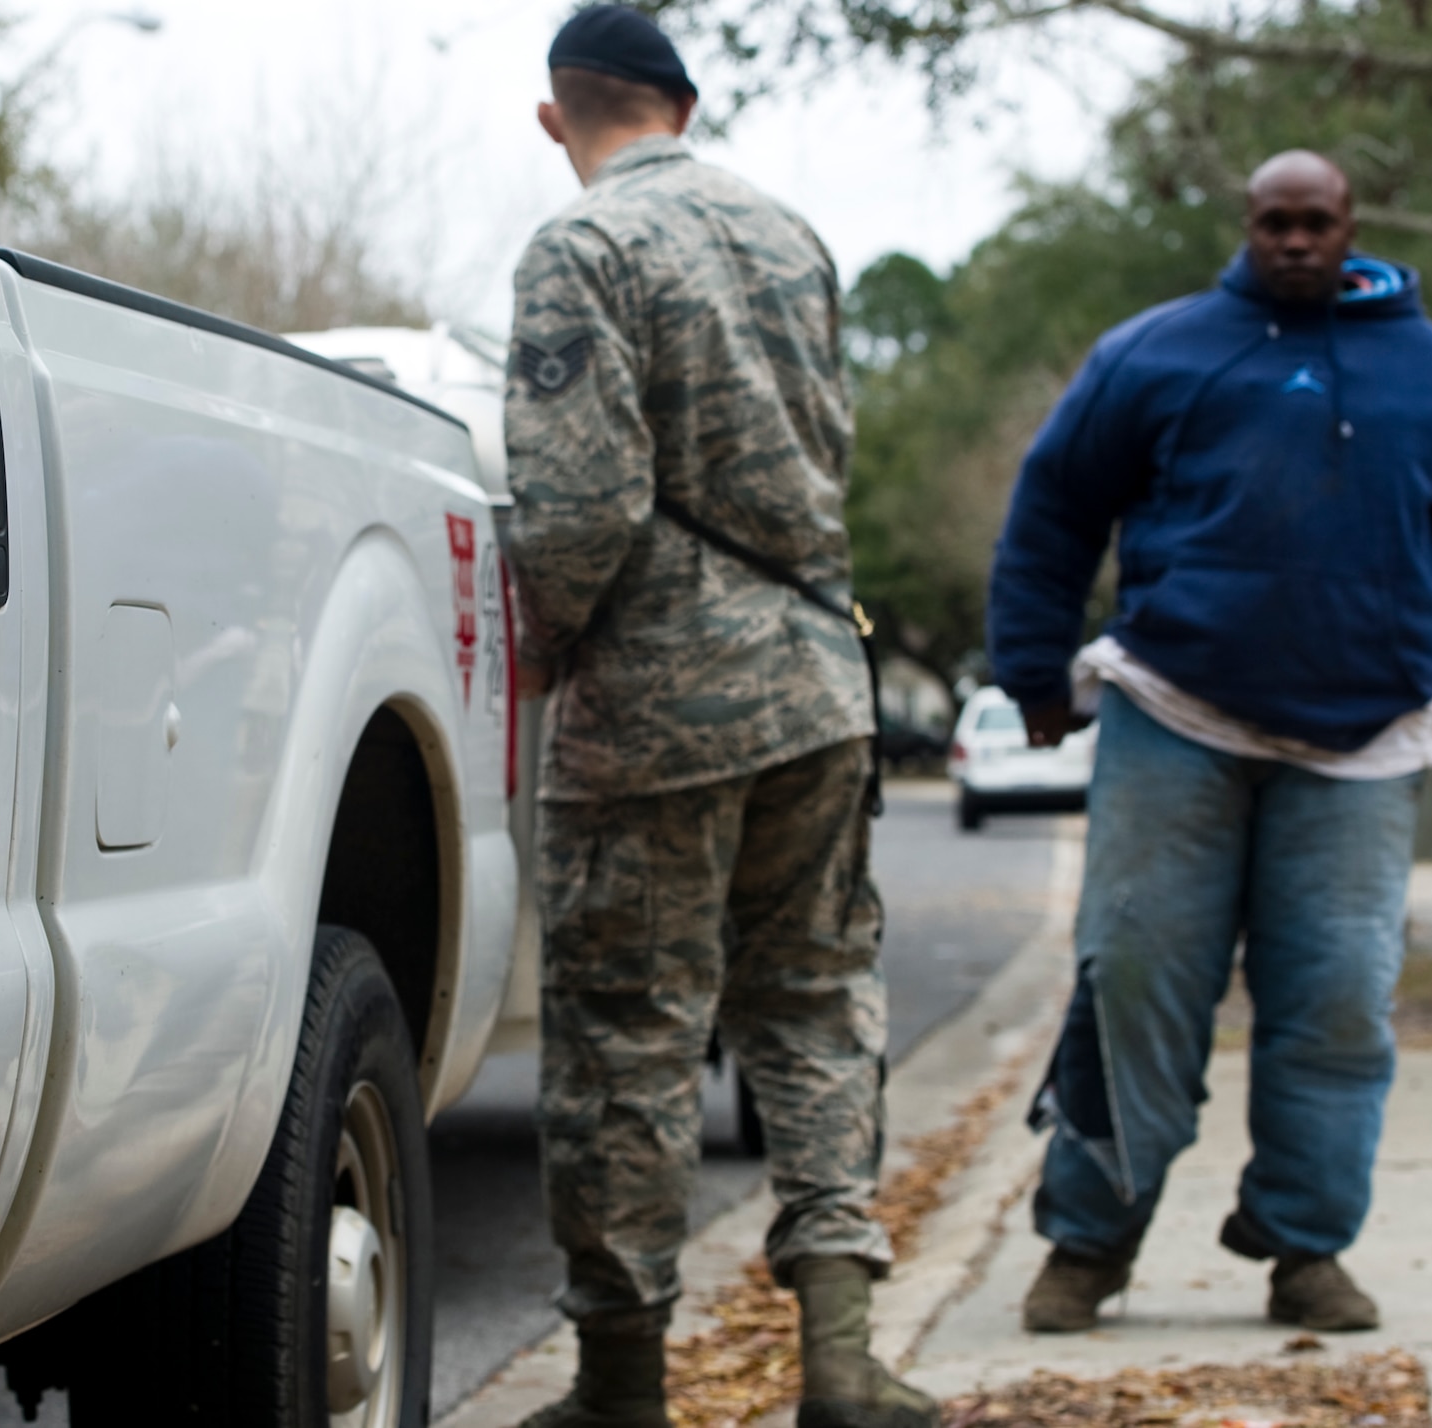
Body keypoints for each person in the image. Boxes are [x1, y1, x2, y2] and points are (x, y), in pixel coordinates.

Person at [502, 8, 937, 1427]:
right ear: (682, 107)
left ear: (556, 119)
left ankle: (621, 1386)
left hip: (657, 701)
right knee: (814, 1010)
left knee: (632, 1038)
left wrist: (547, 639)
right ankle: (842, 1359)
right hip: (817, 681)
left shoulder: (584, 247)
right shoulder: (790, 235)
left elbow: (581, 506)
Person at [988, 149, 1432, 1335]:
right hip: (1175, 712)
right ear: (1245, 225)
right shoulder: (1157, 352)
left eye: (1312, 223)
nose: (1291, 242)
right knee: (1128, 979)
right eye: (1272, 222)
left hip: (1364, 745)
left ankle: (1302, 1242)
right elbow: (1053, 506)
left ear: (1349, 228)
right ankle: (1086, 1241)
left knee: (1333, 1001)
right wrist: (1029, 670)